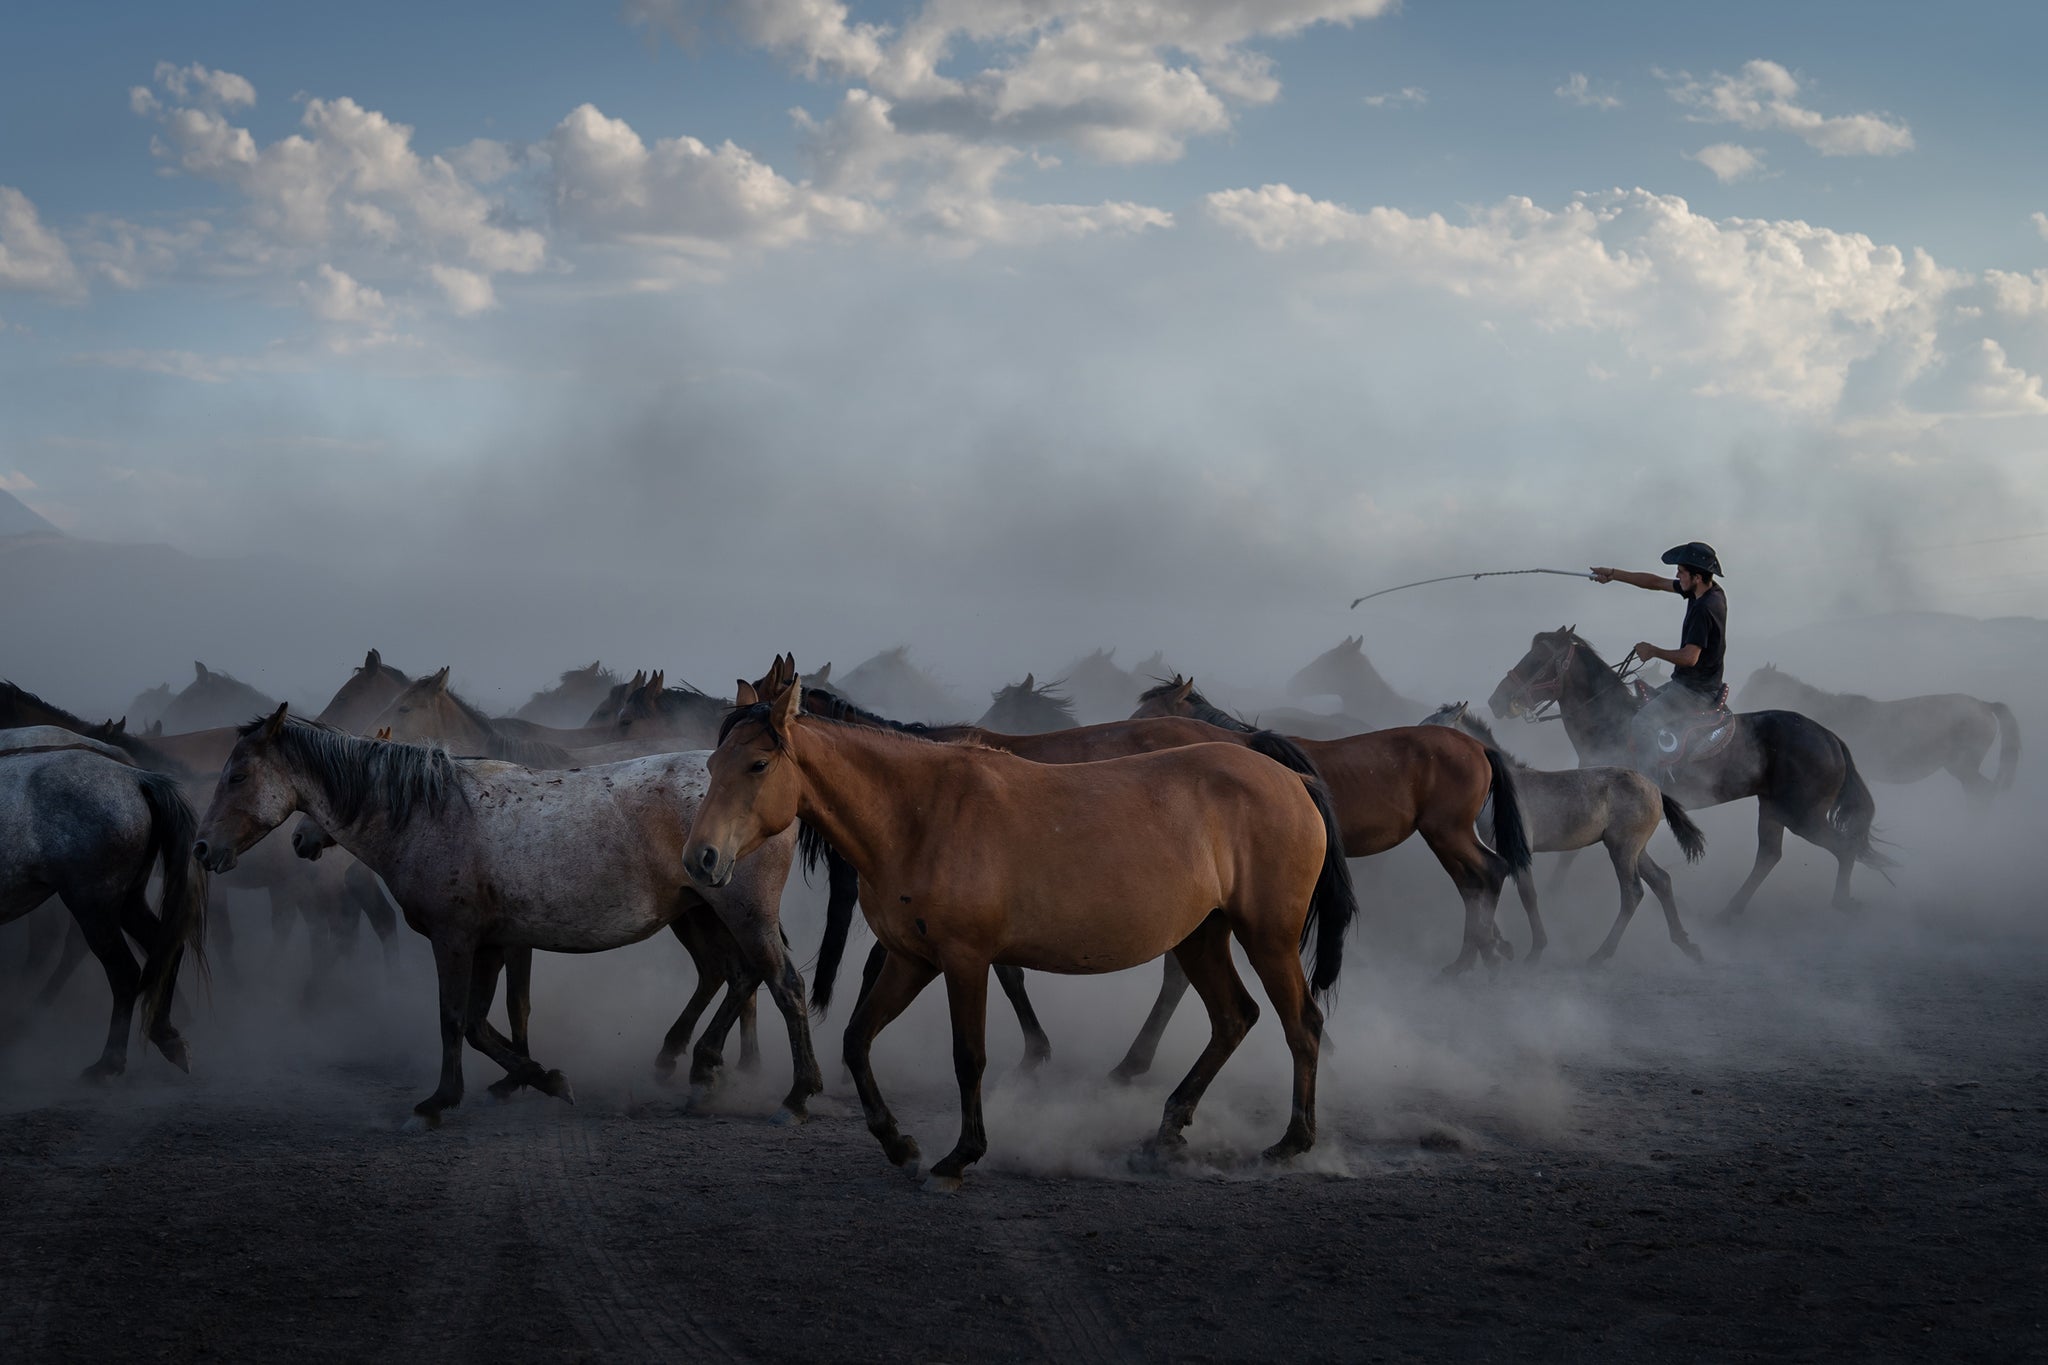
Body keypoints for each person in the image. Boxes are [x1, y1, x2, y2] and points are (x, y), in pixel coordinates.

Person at [1588, 543, 1728, 773]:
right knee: (1637, 706)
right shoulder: (1707, 589)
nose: (1676, 575)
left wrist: (1653, 651)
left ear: (1697, 576)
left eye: (1681, 571)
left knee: (1642, 723)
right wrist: (1613, 574)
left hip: (1695, 692)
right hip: (1688, 684)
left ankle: (1652, 796)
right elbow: (1655, 583)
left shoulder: (1705, 608)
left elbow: (1689, 658)